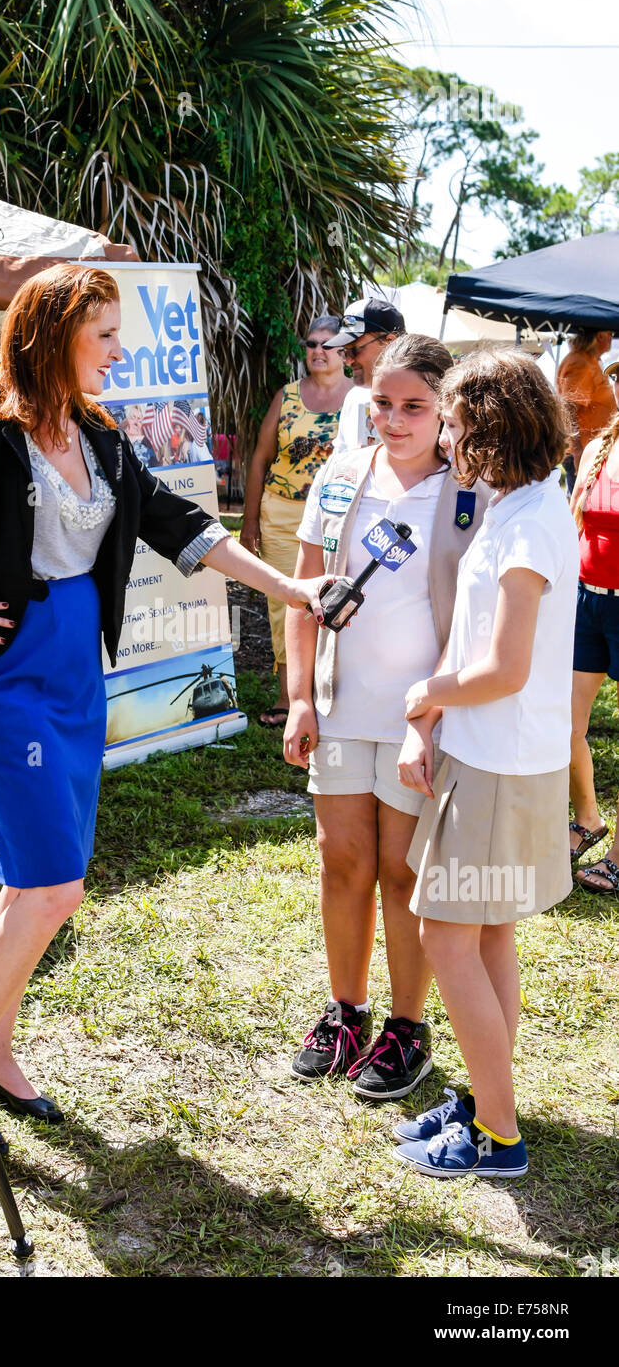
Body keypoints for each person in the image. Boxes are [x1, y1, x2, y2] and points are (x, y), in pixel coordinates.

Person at [0, 263, 328, 1159]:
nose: (120, 350)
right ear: (54, 334)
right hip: (1, 670)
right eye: (104, 335)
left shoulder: (99, 432)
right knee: (55, 886)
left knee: (30, 884)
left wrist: (291, 589)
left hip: (75, 664)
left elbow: (180, 523)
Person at [283, 335, 490, 1099]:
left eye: (414, 407)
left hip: (421, 720)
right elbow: (304, 594)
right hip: (339, 707)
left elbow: (473, 623)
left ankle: (408, 1027)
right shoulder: (338, 476)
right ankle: (347, 1011)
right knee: (344, 861)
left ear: (445, 411)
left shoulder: (470, 493)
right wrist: (300, 696)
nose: (394, 420)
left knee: (405, 871)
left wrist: (432, 714)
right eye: (383, 403)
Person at [393, 349, 576, 1179]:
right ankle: (488, 1098)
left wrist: (425, 696)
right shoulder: (517, 506)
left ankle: (498, 1135)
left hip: (499, 764)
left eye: (457, 424)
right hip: (491, 755)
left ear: (491, 431)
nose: (448, 439)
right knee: (487, 932)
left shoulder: (531, 522)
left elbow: (505, 667)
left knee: (448, 937)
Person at [240, 315, 351, 727]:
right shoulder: (286, 396)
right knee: (285, 602)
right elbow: (260, 459)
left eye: (328, 344)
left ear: (345, 351)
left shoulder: (361, 398)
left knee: (339, 599)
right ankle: (290, 699)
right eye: (311, 344)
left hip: (339, 515)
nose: (318, 351)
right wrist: (249, 522)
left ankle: (332, 694)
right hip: (283, 513)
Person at [566, 357, 619, 891]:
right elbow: (571, 526)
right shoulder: (599, 448)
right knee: (565, 722)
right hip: (586, 602)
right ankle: (588, 819)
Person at [329, 298, 406, 456]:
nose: (349, 361)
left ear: (390, 342)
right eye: (344, 352)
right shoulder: (354, 397)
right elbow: (338, 459)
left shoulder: (428, 399)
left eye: (355, 350)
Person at [557, 327, 616, 481]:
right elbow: (569, 409)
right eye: (609, 332)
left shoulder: (588, 360)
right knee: (583, 503)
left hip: (593, 451)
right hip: (585, 453)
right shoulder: (580, 363)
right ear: (598, 335)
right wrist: (578, 453)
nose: (612, 335)